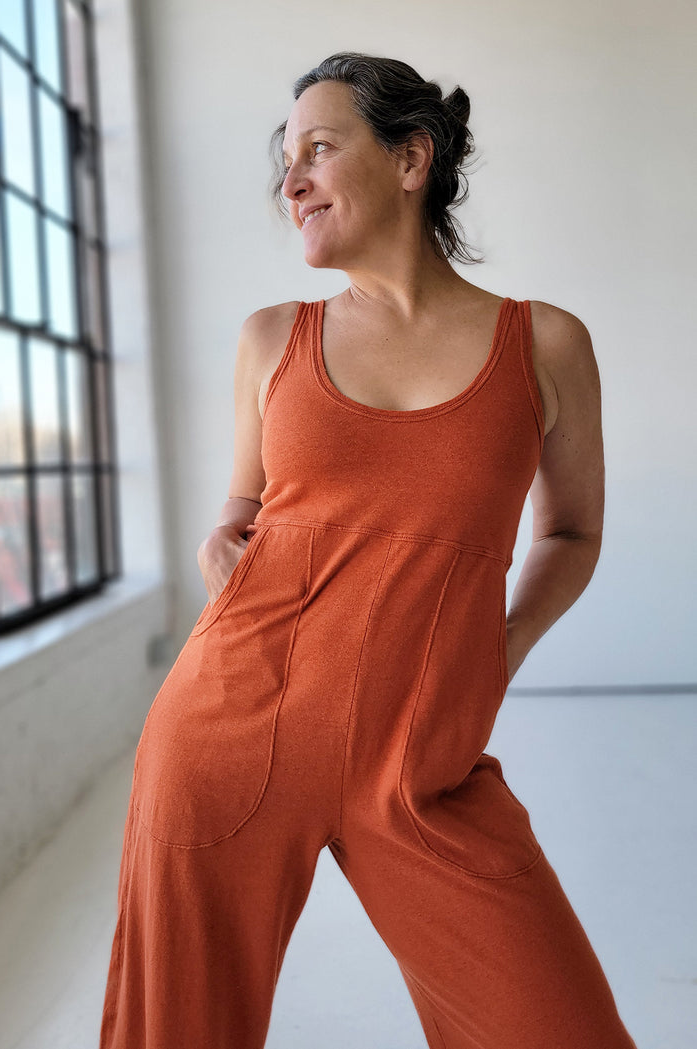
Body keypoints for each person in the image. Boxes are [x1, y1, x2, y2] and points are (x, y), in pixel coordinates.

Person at [99, 52, 639, 1049]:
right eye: (285, 161)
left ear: (409, 159)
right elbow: (244, 508)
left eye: (318, 148)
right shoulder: (271, 339)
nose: (291, 181)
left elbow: (572, 530)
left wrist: (499, 648)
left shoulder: (544, 343)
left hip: (423, 756)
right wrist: (222, 541)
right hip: (229, 730)